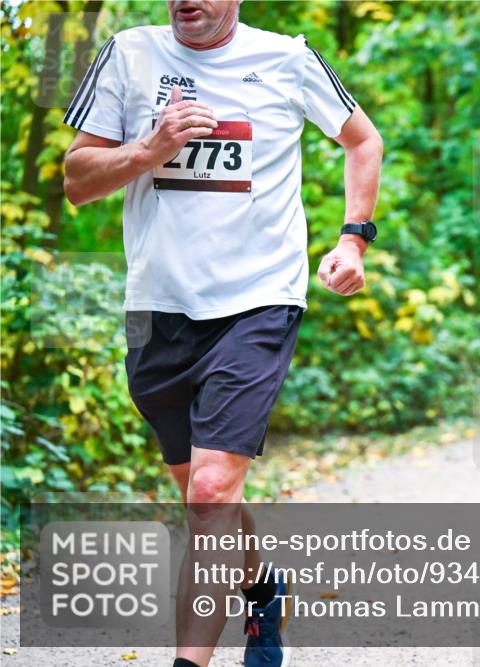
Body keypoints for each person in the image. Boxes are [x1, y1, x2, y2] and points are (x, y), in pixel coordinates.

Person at [62, 2, 383, 666]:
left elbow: (362, 139)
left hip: (257, 301)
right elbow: (76, 181)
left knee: (210, 492)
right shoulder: (128, 54)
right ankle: (262, 589)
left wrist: (353, 239)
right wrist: (151, 148)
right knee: (201, 495)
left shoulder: (288, 58)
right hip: (158, 309)